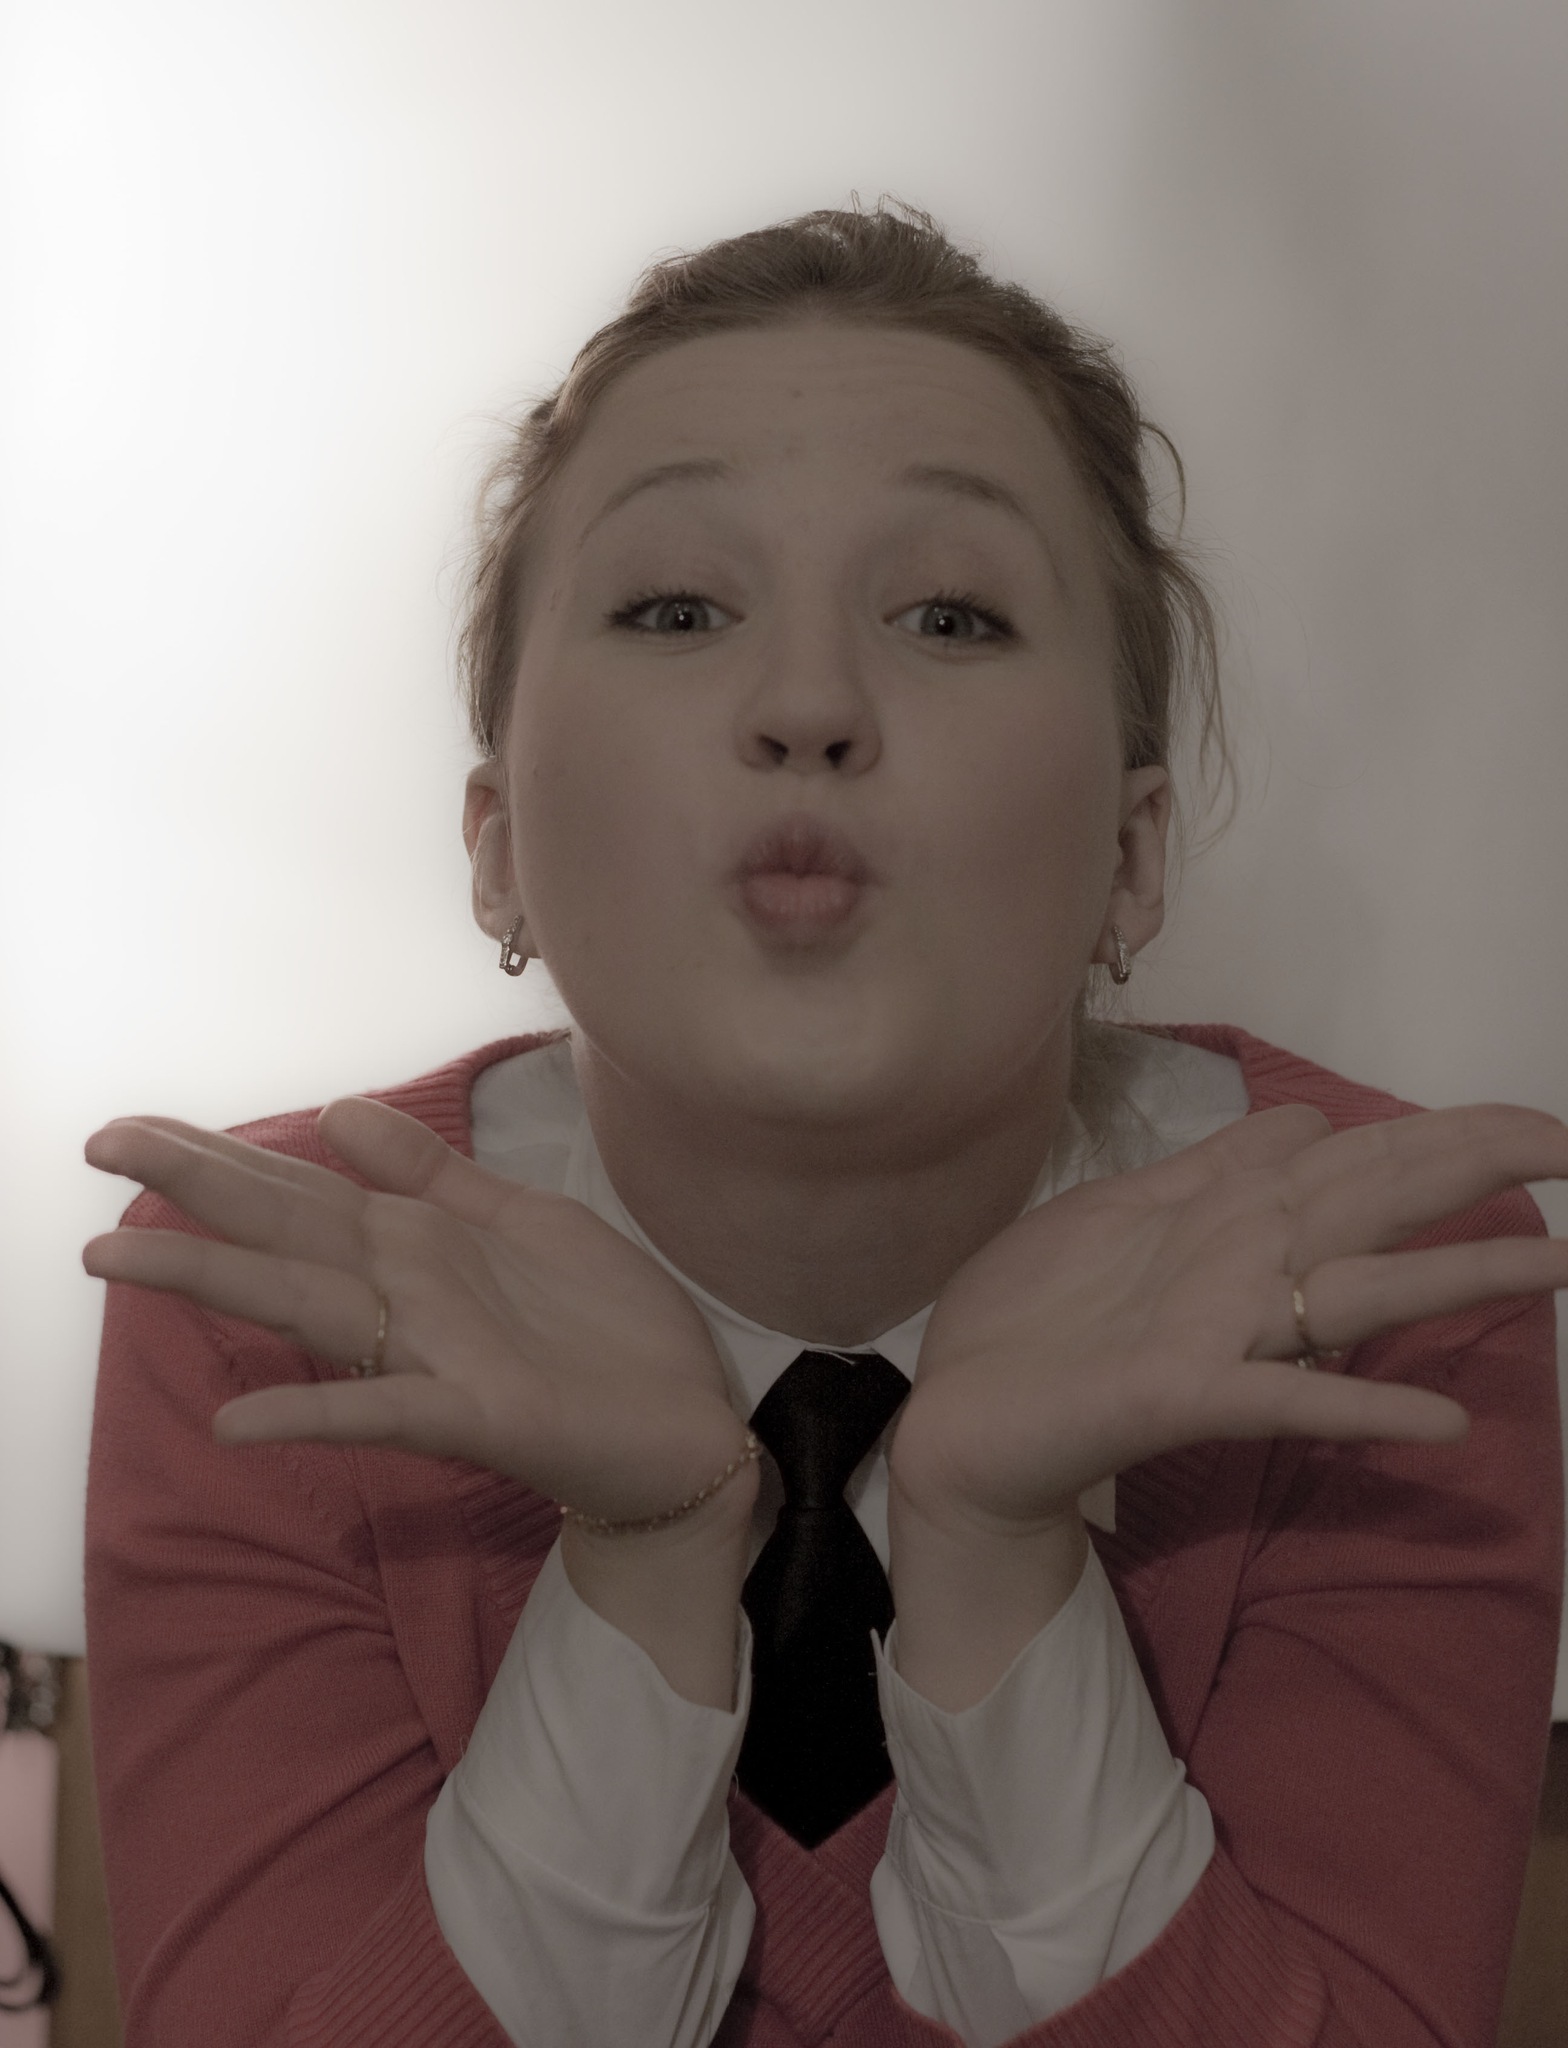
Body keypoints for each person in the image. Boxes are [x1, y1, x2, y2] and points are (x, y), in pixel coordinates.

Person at [80, 198, 1564, 2048]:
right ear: (498, 842)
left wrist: (998, 1556)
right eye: (675, 609)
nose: (806, 706)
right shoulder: (271, 1295)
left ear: (1131, 856)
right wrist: (643, 1556)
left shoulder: (1379, 1278)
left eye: (950, 614)